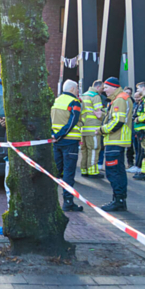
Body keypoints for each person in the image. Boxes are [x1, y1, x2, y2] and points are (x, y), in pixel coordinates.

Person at [51, 79, 84, 212]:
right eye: (76, 89)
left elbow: (50, 120)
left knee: (55, 173)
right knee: (68, 174)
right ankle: (68, 202)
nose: (77, 92)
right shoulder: (74, 102)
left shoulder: (56, 100)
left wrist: (54, 135)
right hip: (69, 142)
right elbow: (73, 121)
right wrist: (61, 134)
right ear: (72, 89)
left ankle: (51, 201)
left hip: (56, 142)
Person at [99, 77, 132, 211]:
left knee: (113, 172)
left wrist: (101, 130)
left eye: (106, 87)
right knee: (118, 171)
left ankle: (118, 201)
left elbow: (118, 121)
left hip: (115, 140)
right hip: (117, 140)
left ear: (113, 87)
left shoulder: (119, 100)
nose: (104, 90)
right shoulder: (120, 99)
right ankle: (119, 200)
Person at [80, 80, 104, 178]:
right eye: (102, 88)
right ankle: (93, 171)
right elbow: (98, 113)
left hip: (84, 128)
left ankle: (84, 170)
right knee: (94, 149)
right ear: (97, 87)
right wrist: (105, 114)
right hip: (93, 128)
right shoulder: (95, 96)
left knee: (84, 150)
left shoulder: (83, 95)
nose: (103, 90)